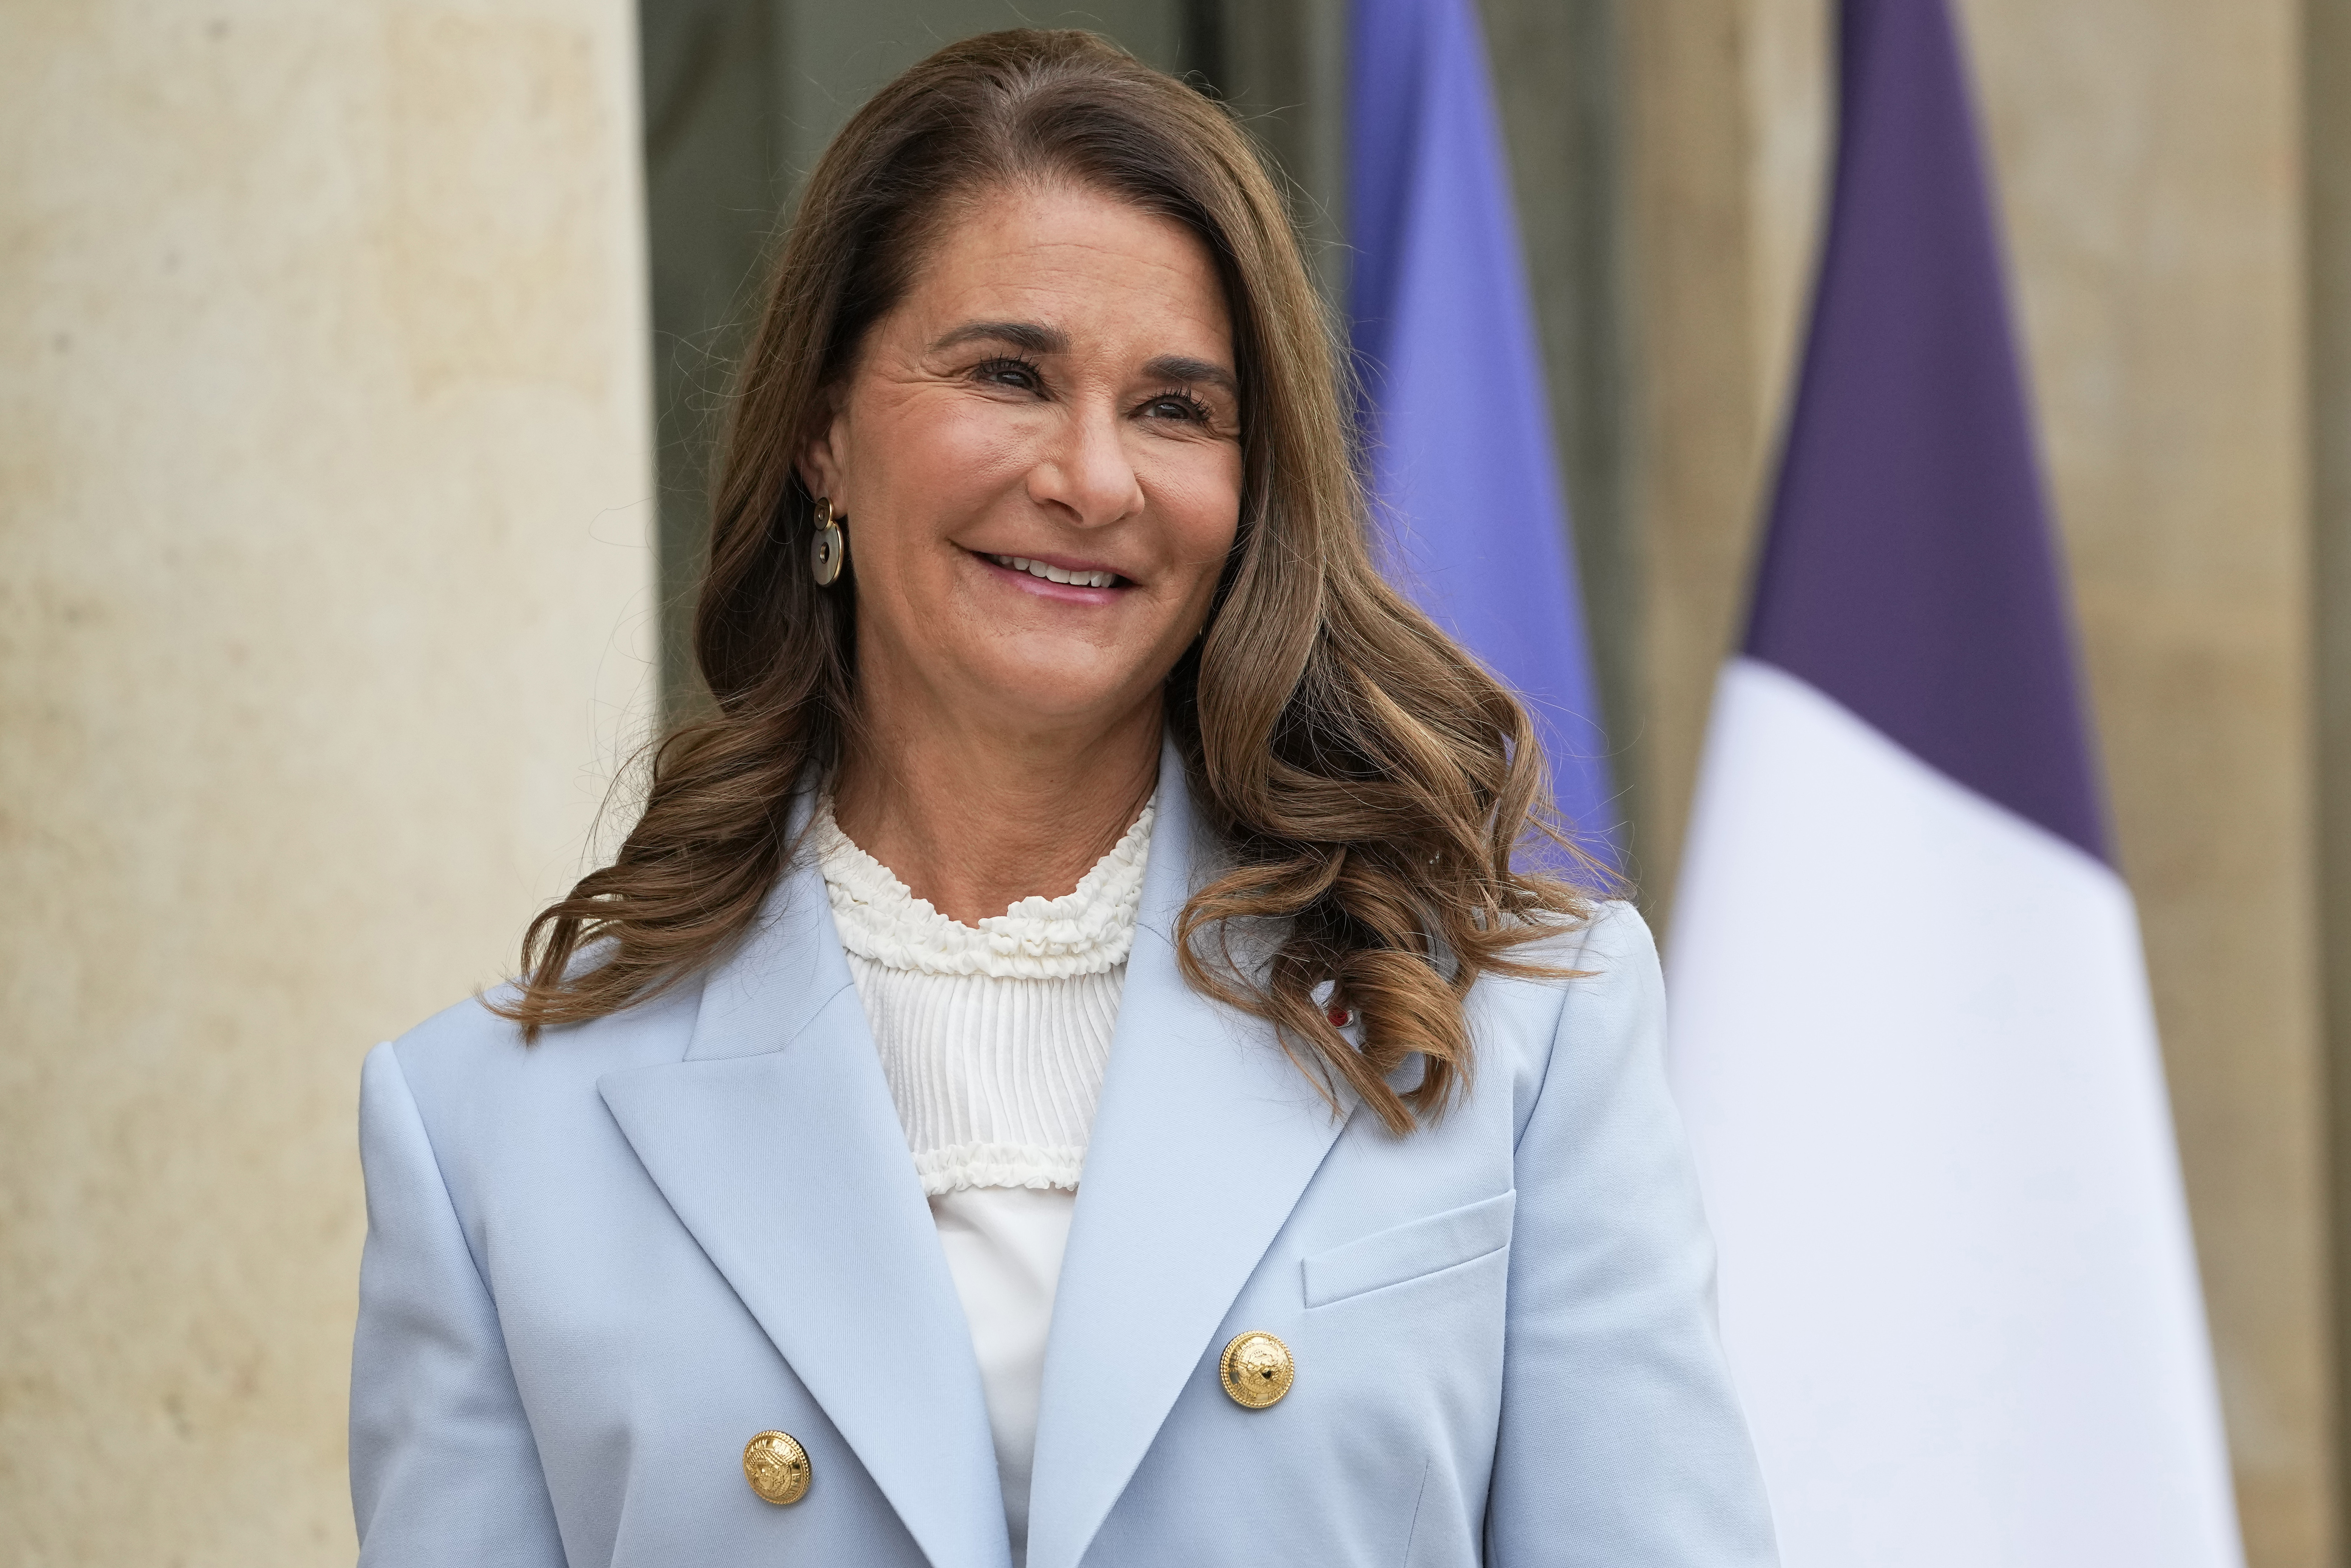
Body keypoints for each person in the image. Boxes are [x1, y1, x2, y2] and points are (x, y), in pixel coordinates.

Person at [347, 28, 1777, 1568]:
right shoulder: (489, 1129)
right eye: (1007, 374)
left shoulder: (1519, 1032)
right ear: (826, 430)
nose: (1092, 478)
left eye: (1175, 409)